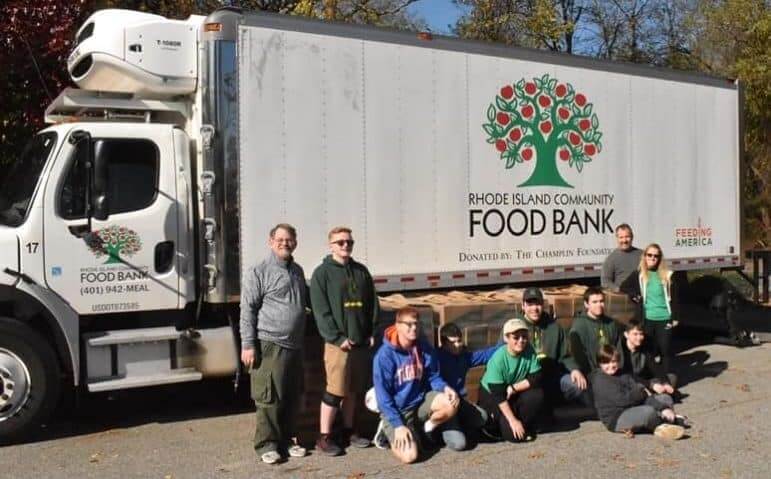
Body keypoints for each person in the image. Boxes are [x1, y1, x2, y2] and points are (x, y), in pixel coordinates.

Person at [239, 223, 309, 465]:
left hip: (294, 345)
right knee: (269, 397)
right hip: (270, 343)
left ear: (295, 243)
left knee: (291, 395)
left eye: (289, 239)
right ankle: (266, 444)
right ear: (271, 242)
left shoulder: (297, 271)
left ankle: (287, 440)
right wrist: (248, 344)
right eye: (279, 239)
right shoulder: (258, 272)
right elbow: (247, 309)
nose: (284, 243)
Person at [310, 226, 378, 455]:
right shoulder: (322, 274)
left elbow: (372, 305)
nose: (345, 245)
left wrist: (370, 332)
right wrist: (336, 337)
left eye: (349, 242)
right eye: (340, 242)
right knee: (335, 390)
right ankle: (325, 437)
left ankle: (349, 431)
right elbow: (321, 310)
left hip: (359, 342)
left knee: (353, 390)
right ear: (331, 246)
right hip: (338, 344)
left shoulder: (360, 271)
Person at [372, 307, 460, 464]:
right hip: (397, 410)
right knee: (410, 457)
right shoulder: (384, 356)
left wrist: (445, 388)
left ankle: (424, 430)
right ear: (398, 325)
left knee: (450, 403)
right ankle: (387, 432)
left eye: (417, 324)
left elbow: (434, 376)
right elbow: (383, 396)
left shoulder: (423, 347)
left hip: (419, 403)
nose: (414, 328)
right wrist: (398, 425)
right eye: (409, 324)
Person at [590, 345, 685, 439]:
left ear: (618, 361)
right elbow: (623, 401)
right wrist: (641, 392)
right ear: (599, 364)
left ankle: (664, 420)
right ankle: (668, 423)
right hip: (617, 418)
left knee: (665, 398)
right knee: (648, 412)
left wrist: (663, 408)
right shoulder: (600, 380)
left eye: (614, 361)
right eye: (606, 363)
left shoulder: (623, 374)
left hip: (634, 406)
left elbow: (640, 394)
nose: (611, 365)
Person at [518, 287, 591, 410]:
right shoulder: (515, 326)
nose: (534, 308)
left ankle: (553, 402)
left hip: (551, 376)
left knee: (577, 386)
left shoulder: (554, 327)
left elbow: (565, 355)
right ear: (523, 306)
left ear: (543, 305)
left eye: (538, 304)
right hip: (526, 380)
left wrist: (574, 369)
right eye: (530, 304)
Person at [434, 323, 500, 450]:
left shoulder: (463, 356)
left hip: (460, 402)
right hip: (444, 405)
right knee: (460, 444)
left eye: (459, 341)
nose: (458, 345)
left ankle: (456, 425)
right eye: (453, 342)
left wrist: (505, 345)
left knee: (483, 417)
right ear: (443, 342)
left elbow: (485, 355)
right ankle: (440, 428)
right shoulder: (436, 358)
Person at [478, 318, 545, 442]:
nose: (521, 341)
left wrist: (514, 388)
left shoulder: (529, 350)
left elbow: (536, 377)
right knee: (513, 437)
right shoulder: (498, 359)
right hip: (493, 396)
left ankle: (521, 424)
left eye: (524, 337)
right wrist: (513, 420)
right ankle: (506, 424)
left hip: (512, 390)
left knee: (537, 395)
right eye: (516, 337)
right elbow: (498, 395)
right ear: (506, 338)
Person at [620, 243, 678, 375]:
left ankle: (665, 378)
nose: (652, 258)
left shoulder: (668, 275)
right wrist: (634, 295)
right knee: (648, 350)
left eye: (656, 256)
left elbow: (675, 298)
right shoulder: (639, 274)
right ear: (644, 256)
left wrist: (675, 318)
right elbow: (623, 287)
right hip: (647, 319)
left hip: (664, 319)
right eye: (649, 255)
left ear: (660, 258)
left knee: (665, 351)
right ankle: (650, 377)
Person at [569, 286, 625, 377]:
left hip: (613, 370)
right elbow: (579, 357)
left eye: (601, 301)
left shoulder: (611, 323)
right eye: (594, 302)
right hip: (593, 374)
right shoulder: (579, 327)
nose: (599, 305)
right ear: (586, 304)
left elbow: (618, 349)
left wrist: (618, 368)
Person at [621, 320, 678, 393]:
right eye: (635, 334)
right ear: (626, 334)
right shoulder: (621, 350)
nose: (639, 338)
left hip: (643, 379)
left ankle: (654, 393)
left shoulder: (644, 347)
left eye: (641, 334)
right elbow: (626, 374)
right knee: (637, 387)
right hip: (628, 381)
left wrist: (665, 383)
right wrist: (651, 385)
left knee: (671, 377)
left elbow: (654, 367)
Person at [601, 224, 643, 291]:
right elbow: (605, 282)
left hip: (641, 294)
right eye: (621, 237)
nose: (624, 240)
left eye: (627, 237)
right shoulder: (611, 259)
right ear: (617, 238)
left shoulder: (642, 255)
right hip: (622, 297)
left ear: (632, 237)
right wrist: (619, 289)